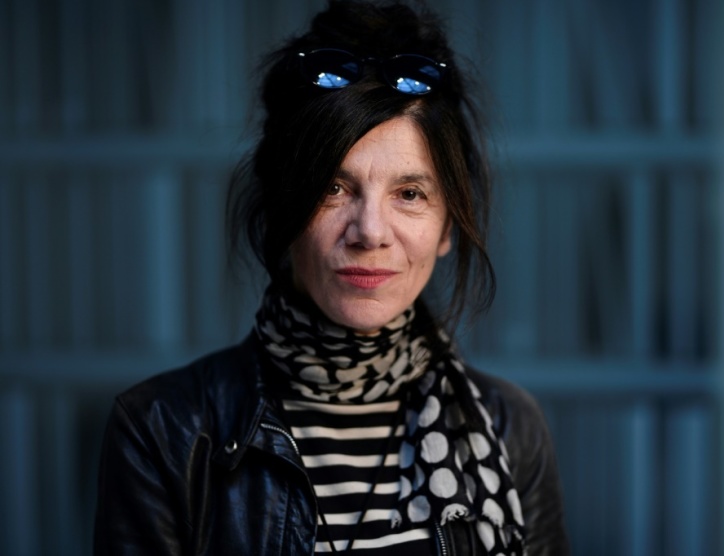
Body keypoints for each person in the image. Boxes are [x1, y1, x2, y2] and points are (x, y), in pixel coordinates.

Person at [94, 1, 569, 554]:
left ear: (447, 227)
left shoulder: (510, 427)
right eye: (333, 189)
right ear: (282, 212)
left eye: (409, 193)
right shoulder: (164, 431)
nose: (370, 232)